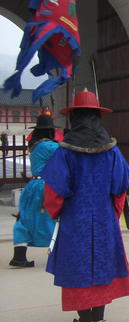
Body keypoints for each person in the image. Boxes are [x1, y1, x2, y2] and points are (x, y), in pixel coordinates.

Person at [42, 91, 129, 322]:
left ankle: (85, 320)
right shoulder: (112, 151)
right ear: (97, 117)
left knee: (79, 265)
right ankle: (98, 319)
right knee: (102, 262)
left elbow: (54, 191)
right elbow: (121, 187)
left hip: (75, 217)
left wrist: (56, 212)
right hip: (103, 217)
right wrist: (112, 214)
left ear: (75, 117)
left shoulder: (65, 152)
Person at [9, 114, 59, 268]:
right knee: (55, 219)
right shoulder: (50, 146)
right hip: (46, 186)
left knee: (25, 218)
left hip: (32, 185)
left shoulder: (35, 144)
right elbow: (66, 156)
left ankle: (19, 256)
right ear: (50, 131)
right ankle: (59, 256)